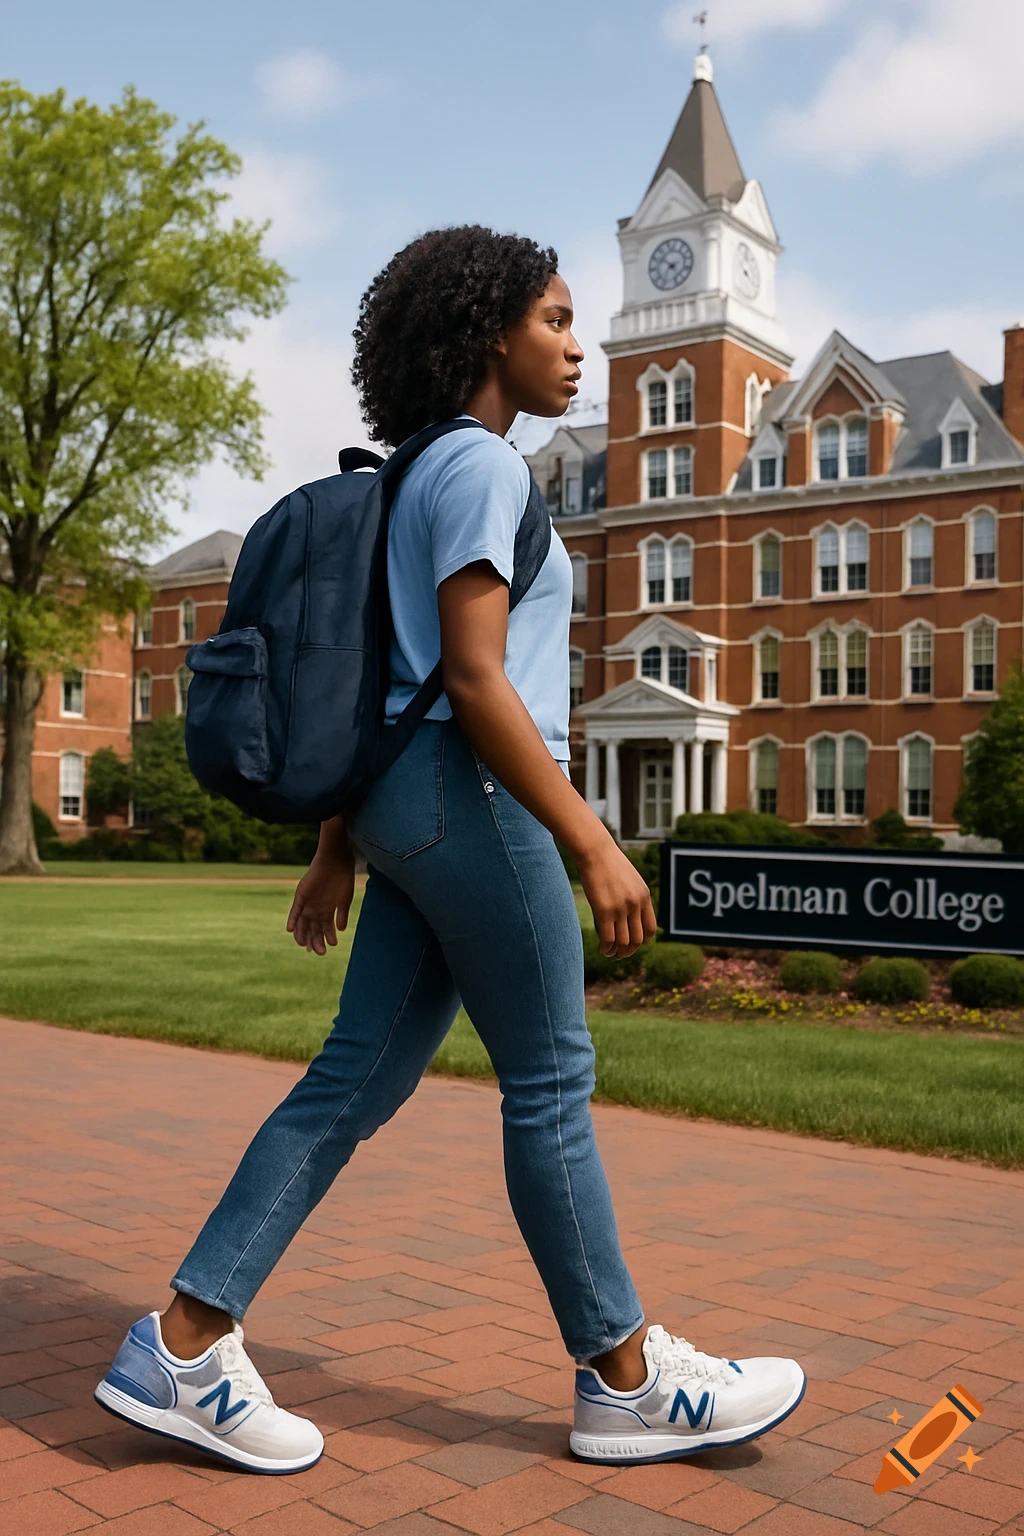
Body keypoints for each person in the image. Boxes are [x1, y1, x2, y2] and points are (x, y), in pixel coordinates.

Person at [95, 226, 805, 1472]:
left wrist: (340, 846)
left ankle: (184, 1342)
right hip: (472, 793)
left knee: (355, 1078)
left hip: (401, 798)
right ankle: (625, 1379)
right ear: (490, 335)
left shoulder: (410, 469)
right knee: (548, 1081)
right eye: (553, 319)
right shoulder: (479, 470)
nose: (577, 347)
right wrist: (588, 837)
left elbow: (383, 681)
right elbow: (473, 682)